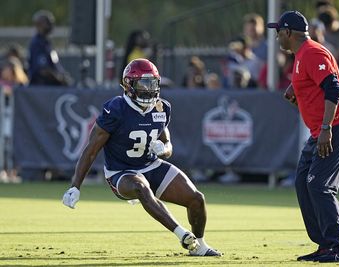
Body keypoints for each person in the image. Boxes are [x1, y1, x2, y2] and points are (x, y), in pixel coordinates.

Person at [62, 58, 221, 257]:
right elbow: (91, 149)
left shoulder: (162, 107)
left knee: (197, 199)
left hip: (150, 165)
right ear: (129, 85)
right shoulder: (116, 109)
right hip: (121, 172)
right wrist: (75, 186)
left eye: (152, 83)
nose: (149, 89)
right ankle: (182, 234)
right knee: (141, 187)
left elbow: (168, 146)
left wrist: (162, 149)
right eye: (143, 84)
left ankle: (200, 245)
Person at [267, 11, 339, 263]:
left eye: (278, 32)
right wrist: (295, 89)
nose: (277, 38)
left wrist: (327, 129)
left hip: (337, 125)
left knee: (319, 185)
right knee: (302, 182)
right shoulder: (301, 55)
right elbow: (313, 82)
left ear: (288, 33)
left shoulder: (312, 52)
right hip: (321, 129)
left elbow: (334, 88)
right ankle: (326, 245)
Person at [28, 10, 71, 86]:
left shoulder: (47, 43)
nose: (51, 25)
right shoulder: (37, 43)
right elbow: (42, 69)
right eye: (48, 22)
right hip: (41, 88)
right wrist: (59, 78)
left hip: (52, 88)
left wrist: (63, 76)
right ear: (39, 25)